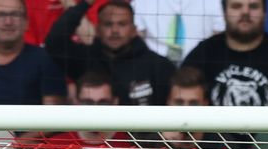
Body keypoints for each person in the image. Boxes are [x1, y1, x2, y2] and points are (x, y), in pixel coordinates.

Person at [45, 0, 174, 104]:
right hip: (93, 134)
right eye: (108, 24)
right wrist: (85, 4)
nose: (114, 30)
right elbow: (54, 42)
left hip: (142, 136)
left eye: (122, 24)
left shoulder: (159, 66)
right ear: (97, 29)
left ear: (134, 30)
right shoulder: (84, 59)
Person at [182, 0, 268, 106]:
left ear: (265, 13)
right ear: (224, 13)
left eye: (253, 6)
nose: (245, 12)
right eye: (236, 6)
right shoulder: (203, 53)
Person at [0, 0, 67, 105]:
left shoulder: (46, 61)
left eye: (15, 14)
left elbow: (52, 116)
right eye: (0, 15)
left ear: (26, 22)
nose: (8, 22)